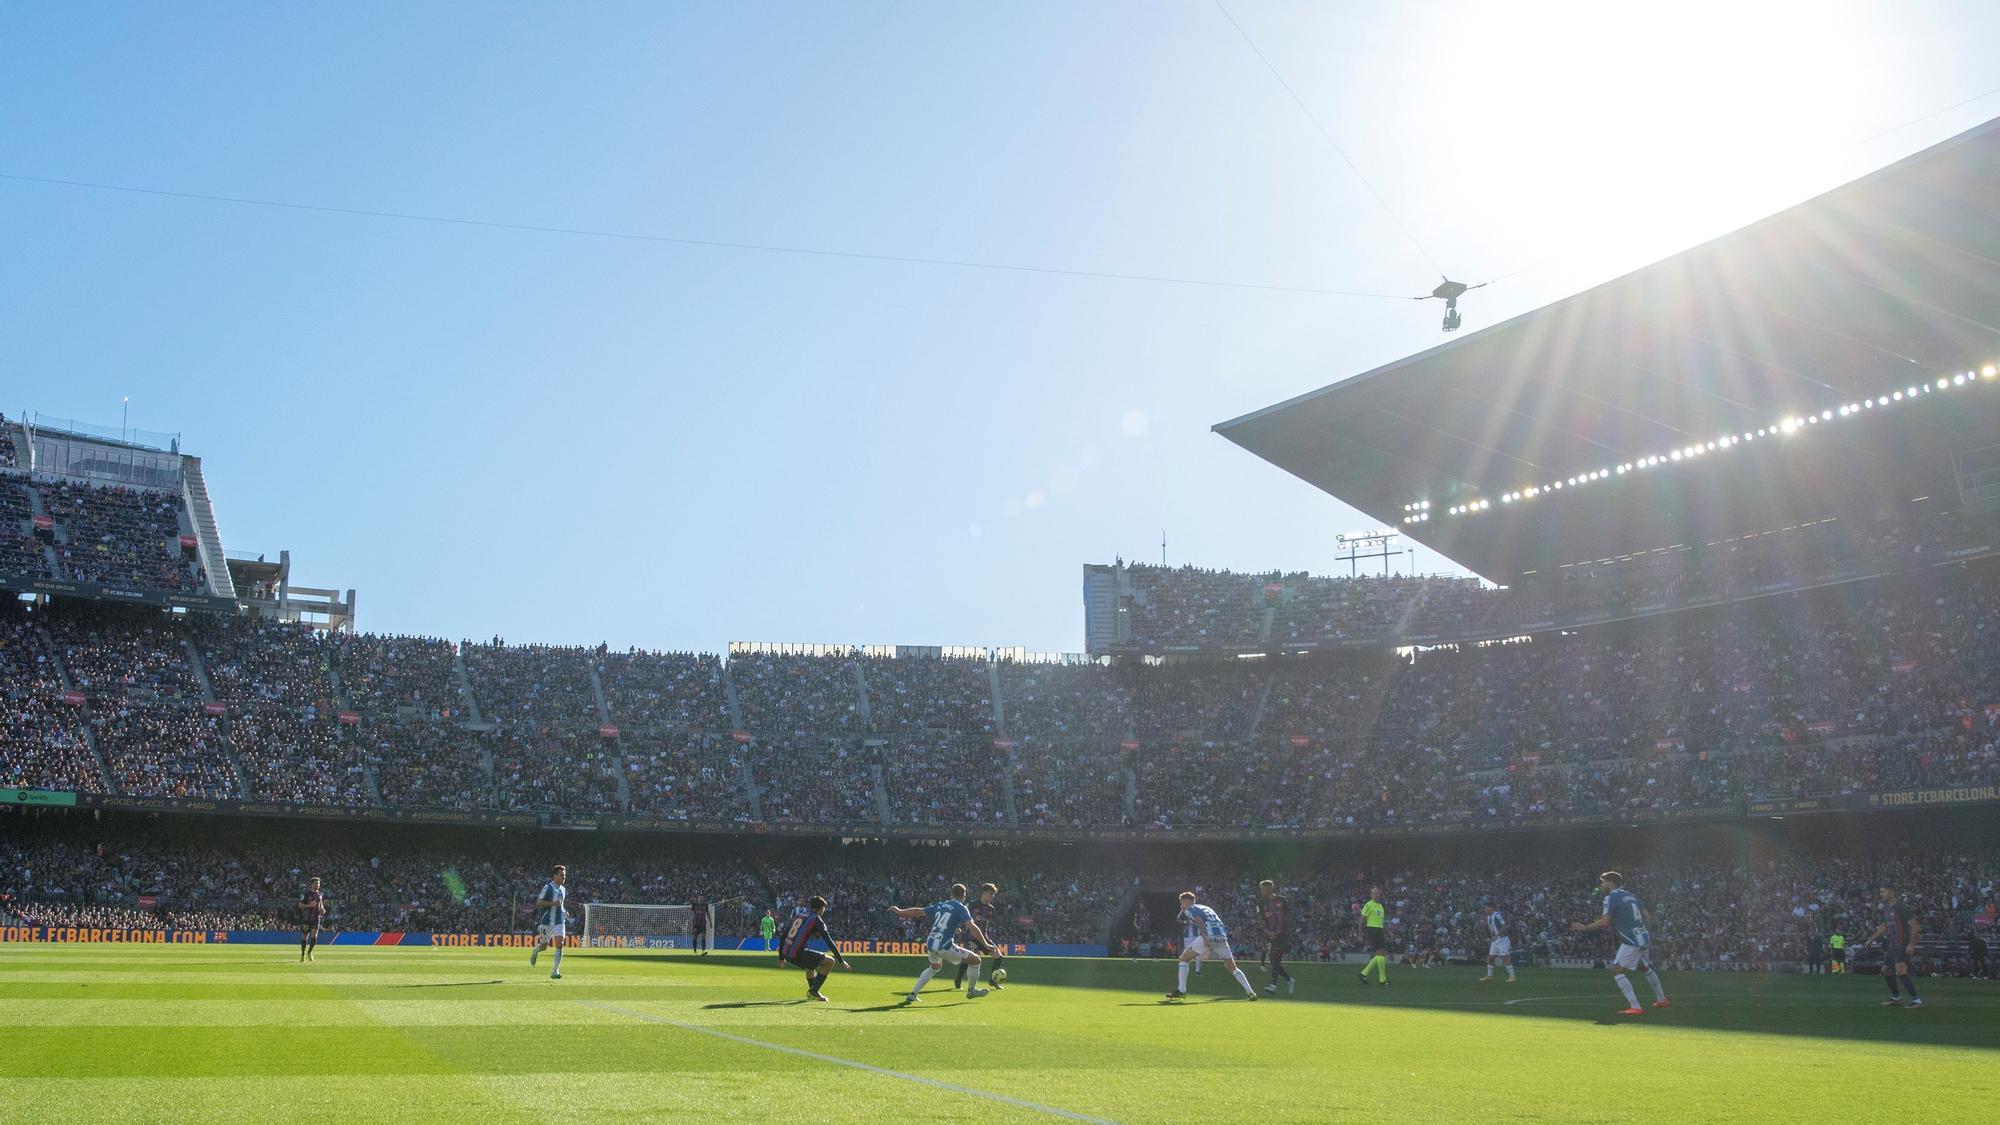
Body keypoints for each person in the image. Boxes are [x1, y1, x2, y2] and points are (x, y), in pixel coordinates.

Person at [1570, 871, 1668, 1016]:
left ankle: (1635, 1007)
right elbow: (1647, 916)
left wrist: (1585, 928)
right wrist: (1642, 930)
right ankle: (1662, 999)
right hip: (1643, 936)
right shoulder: (1631, 896)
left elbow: (1604, 922)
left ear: (1610, 882)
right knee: (1643, 967)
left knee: (1616, 970)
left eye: (1603, 882)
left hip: (1631, 940)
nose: (1602, 885)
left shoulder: (1611, 897)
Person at [890, 884, 992, 1002]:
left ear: (951, 894)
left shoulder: (941, 905)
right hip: (944, 945)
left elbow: (919, 911)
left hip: (931, 942)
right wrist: (985, 944)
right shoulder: (961, 907)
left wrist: (900, 911)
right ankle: (972, 991)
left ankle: (912, 994)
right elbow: (972, 927)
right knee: (976, 960)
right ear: (964, 896)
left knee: (934, 967)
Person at [1166, 891, 1257, 1000]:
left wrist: (1205, 938)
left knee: (1184, 958)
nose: (1181, 906)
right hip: (1221, 937)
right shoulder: (1207, 908)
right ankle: (1250, 992)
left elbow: (1199, 922)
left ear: (1186, 902)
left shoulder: (1189, 909)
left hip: (1208, 935)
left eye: (1181, 903)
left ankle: (1181, 991)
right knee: (1232, 967)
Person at [779, 895, 853, 1001]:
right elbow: (829, 941)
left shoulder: (800, 915)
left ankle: (813, 992)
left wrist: (781, 957)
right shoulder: (816, 919)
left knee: (811, 965)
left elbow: (783, 935)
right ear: (821, 908)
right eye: (824, 908)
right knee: (830, 961)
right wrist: (841, 961)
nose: (824, 911)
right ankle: (813, 991)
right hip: (797, 953)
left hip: (787, 952)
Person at [1863, 886, 1922, 1008]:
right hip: (1893, 944)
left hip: (1902, 943)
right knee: (1885, 970)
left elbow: (1915, 926)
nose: (1881, 894)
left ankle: (1917, 1001)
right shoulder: (1886, 908)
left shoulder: (1901, 907)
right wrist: (1870, 939)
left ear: (1892, 892)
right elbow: (1885, 926)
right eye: (1880, 891)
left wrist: (1911, 944)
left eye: (1883, 891)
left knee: (1900, 970)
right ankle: (1896, 998)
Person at [954, 883, 1006, 991]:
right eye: (991, 894)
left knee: (998, 956)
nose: (992, 897)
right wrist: (958, 927)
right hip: (970, 937)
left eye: (993, 895)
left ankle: (993, 981)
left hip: (983, 938)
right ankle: (958, 980)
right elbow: (960, 914)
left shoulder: (991, 908)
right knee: (968, 960)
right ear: (984, 893)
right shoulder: (972, 905)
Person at [530, 864, 569, 980]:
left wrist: (564, 911)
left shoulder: (563, 889)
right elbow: (539, 902)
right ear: (555, 875)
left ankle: (555, 971)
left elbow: (560, 904)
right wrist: (553, 904)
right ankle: (536, 950)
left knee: (560, 944)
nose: (564, 877)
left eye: (565, 875)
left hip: (559, 921)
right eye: (562, 875)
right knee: (544, 946)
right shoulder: (548, 887)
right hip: (547, 921)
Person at [1258, 879, 1294, 995]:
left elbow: (1289, 916)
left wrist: (1287, 932)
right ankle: (1289, 980)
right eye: (1261, 889)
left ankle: (1273, 985)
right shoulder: (1261, 903)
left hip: (1282, 935)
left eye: (1263, 889)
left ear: (1270, 889)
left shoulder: (1282, 900)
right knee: (1274, 961)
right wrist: (1267, 932)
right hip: (1270, 935)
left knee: (1276, 959)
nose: (1262, 891)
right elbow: (1260, 919)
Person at [1357, 886, 1390, 987]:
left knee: (1381, 953)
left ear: (1380, 894)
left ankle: (1363, 974)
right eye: (1373, 893)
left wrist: (1387, 932)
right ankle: (1382, 980)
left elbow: (1380, 921)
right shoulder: (1369, 905)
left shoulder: (1380, 905)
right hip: (1372, 929)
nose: (1375, 895)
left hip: (1378, 929)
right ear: (1371, 895)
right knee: (1381, 953)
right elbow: (1362, 919)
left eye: (1377, 893)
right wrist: (1360, 934)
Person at [1479, 901, 1516, 982]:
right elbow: (1492, 929)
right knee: (1490, 958)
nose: (1485, 909)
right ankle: (1489, 976)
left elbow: (1505, 926)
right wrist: (1491, 937)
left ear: (1491, 908)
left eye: (1486, 907)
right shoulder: (1489, 917)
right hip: (1495, 940)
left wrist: (1497, 935)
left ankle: (1512, 977)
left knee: (1504, 957)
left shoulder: (1497, 915)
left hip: (1502, 939)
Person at [298, 877, 326, 963]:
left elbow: (321, 905)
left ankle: (309, 952)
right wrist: (309, 906)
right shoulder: (307, 894)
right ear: (312, 884)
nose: (318, 885)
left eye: (319, 883)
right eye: (316, 883)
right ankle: (302, 954)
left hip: (316, 918)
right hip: (307, 918)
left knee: (314, 936)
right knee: (305, 936)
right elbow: (300, 905)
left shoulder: (320, 894)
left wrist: (323, 910)